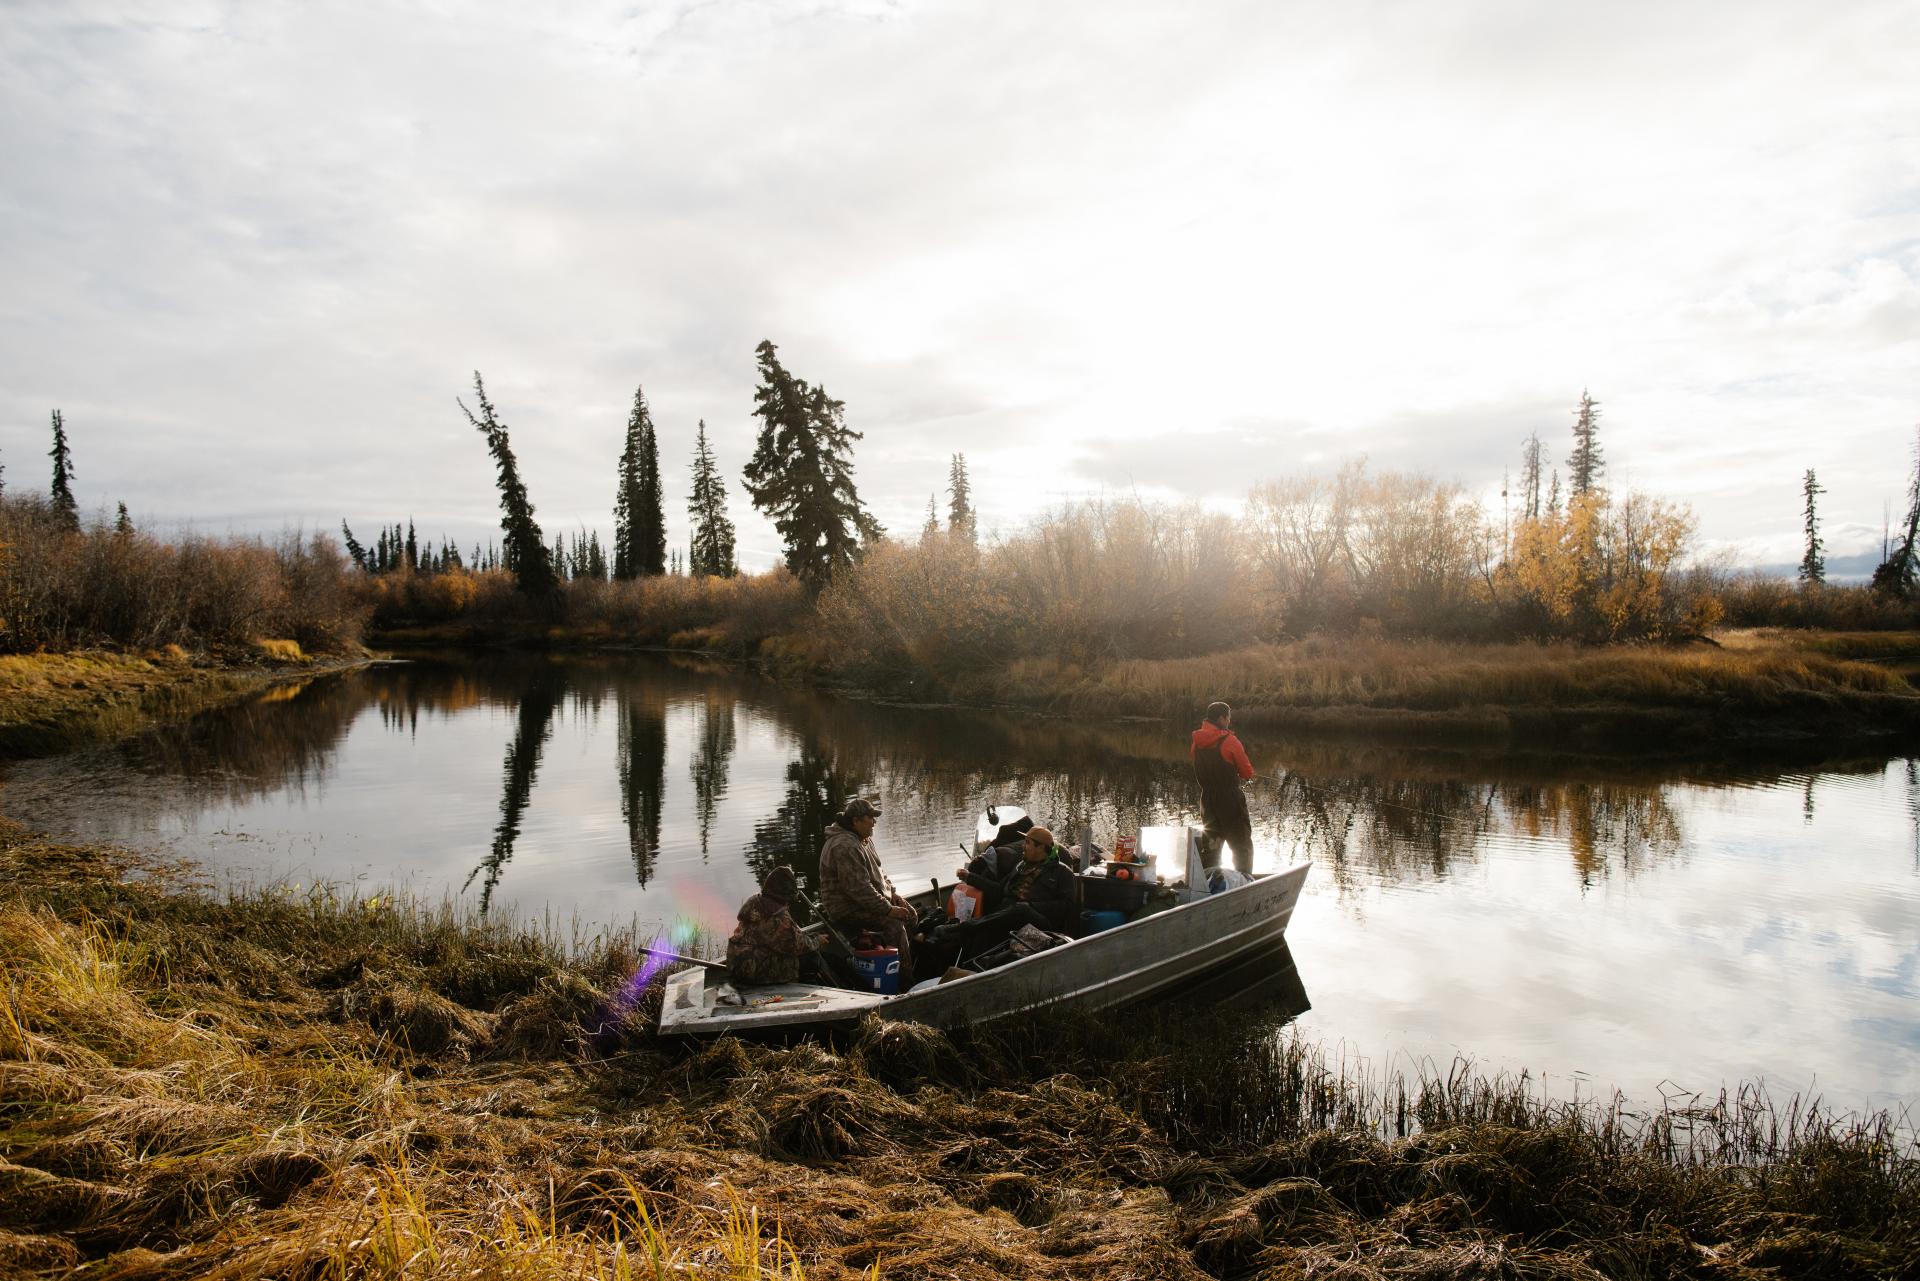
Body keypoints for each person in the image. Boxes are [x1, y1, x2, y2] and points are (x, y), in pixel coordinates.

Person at [937, 825, 1078, 957]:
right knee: (983, 935)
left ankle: (964, 927)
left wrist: (1032, 906)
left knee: (1021, 909)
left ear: (1041, 847)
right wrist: (970, 877)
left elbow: (1068, 907)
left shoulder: (1062, 872)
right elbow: (999, 891)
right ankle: (968, 967)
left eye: (1027, 843)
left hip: (1041, 923)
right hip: (1008, 914)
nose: (1023, 847)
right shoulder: (1020, 866)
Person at [817, 797, 916, 976]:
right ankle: (902, 979)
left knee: (911, 916)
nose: (874, 822)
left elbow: (879, 872)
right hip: (846, 908)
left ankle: (902, 959)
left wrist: (893, 893)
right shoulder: (844, 846)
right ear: (856, 820)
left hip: (867, 901)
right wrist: (888, 910)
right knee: (894, 924)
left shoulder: (863, 838)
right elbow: (858, 890)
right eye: (870, 818)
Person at [725, 865, 818, 985]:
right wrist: (817, 941)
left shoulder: (754, 901)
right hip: (756, 974)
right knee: (811, 957)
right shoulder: (778, 917)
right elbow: (797, 946)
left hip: (737, 966)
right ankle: (804, 986)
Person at [1191, 701, 1255, 873]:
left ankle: (1210, 885)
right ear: (1221, 718)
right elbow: (1247, 773)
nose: (1229, 722)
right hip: (1230, 800)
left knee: (1211, 845)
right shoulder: (1230, 741)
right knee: (1241, 846)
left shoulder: (1197, 743)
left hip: (1207, 800)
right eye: (1228, 718)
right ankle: (1244, 883)